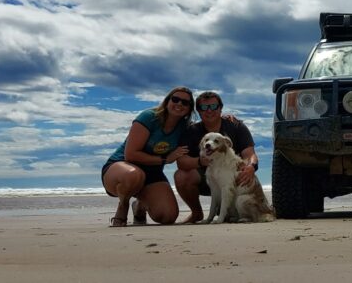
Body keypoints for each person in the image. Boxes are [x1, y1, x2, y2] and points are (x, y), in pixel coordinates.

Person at [101, 86, 194, 227]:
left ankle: (139, 206)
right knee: (134, 175)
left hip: (152, 172)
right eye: (175, 99)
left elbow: (205, 129)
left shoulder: (185, 127)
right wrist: (164, 159)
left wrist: (227, 119)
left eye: (185, 102)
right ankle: (123, 205)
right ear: (167, 101)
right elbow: (131, 154)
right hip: (122, 166)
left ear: (189, 109)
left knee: (167, 216)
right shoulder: (149, 117)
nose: (179, 104)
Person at [175, 91, 260, 224]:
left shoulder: (236, 126)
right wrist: (200, 161)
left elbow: (250, 155)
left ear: (220, 108)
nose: (209, 111)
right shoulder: (191, 131)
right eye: (204, 107)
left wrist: (251, 167)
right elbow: (181, 162)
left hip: (232, 178)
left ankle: (230, 212)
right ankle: (197, 213)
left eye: (214, 106)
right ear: (198, 110)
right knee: (181, 176)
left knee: (232, 192)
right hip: (204, 179)